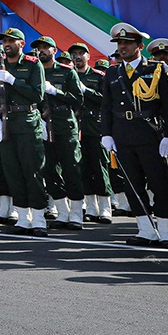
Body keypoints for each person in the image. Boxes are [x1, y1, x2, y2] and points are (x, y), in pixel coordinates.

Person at [100, 23, 168, 248]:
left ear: (140, 46)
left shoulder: (156, 69)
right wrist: (106, 133)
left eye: (127, 43)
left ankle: (166, 232)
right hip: (123, 136)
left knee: (160, 183)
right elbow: (106, 106)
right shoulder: (112, 72)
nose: (122, 47)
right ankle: (146, 230)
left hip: (150, 135)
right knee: (132, 184)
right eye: (119, 43)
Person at [0, 28, 47, 236]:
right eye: (4, 41)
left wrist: (13, 80)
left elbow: (37, 95)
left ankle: (38, 218)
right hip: (5, 123)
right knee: (12, 171)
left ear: (21, 43)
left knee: (32, 170)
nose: (7, 44)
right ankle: (22, 217)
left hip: (27, 122)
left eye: (11, 41)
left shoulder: (32, 64)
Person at [32, 36, 85, 230]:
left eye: (46, 48)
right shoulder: (34, 71)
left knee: (72, 169)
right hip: (44, 126)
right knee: (50, 171)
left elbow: (78, 100)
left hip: (65, 126)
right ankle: (62, 213)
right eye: (39, 48)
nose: (42, 51)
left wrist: (56, 92)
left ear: (54, 50)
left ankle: (77, 215)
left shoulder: (67, 73)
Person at [68, 43, 112, 224]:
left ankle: (105, 208)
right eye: (74, 54)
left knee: (99, 166)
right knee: (82, 168)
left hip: (94, 127)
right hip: (74, 127)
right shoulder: (68, 75)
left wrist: (86, 90)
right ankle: (91, 208)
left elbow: (106, 99)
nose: (77, 57)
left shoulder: (98, 76)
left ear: (88, 56)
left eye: (81, 54)